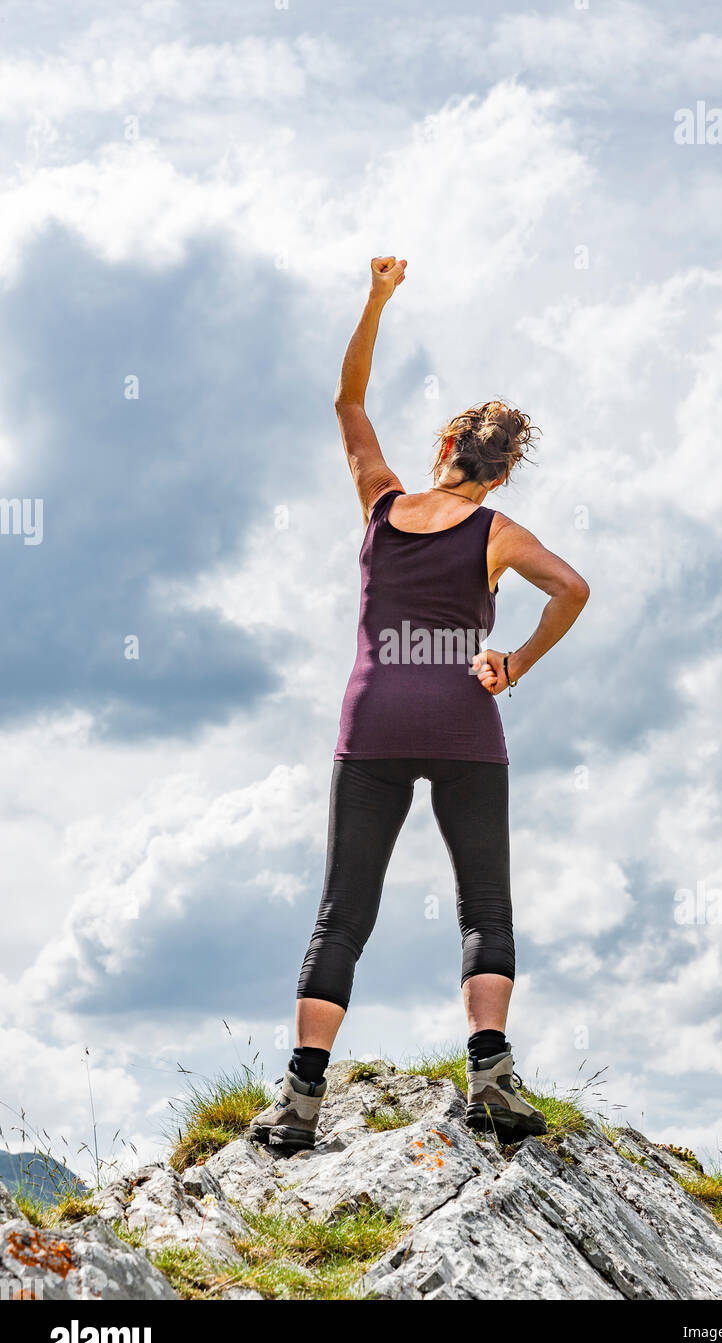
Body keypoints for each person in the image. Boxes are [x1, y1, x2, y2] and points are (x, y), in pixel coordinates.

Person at [249, 256, 590, 1151]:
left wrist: (376, 297)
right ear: (504, 474)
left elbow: (348, 404)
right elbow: (574, 589)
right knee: (486, 907)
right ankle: (490, 1083)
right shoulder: (500, 533)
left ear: (444, 448)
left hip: (372, 725)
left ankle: (299, 1104)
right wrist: (512, 663)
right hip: (465, 726)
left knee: (342, 914)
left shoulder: (381, 503)